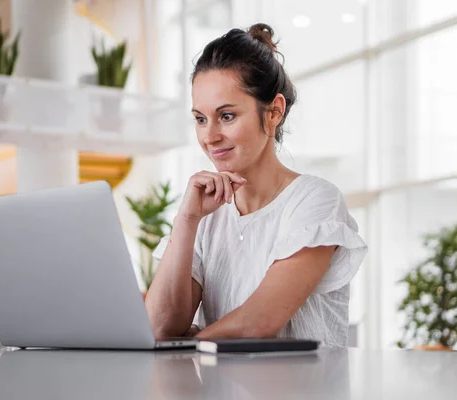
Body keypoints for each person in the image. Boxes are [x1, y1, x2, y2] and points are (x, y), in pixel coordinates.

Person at [146, 23, 367, 347]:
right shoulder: (206, 215)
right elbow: (158, 327)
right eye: (200, 118)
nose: (209, 137)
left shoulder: (314, 201)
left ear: (274, 112)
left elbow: (258, 322)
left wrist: (188, 343)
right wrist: (187, 221)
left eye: (227, 116)